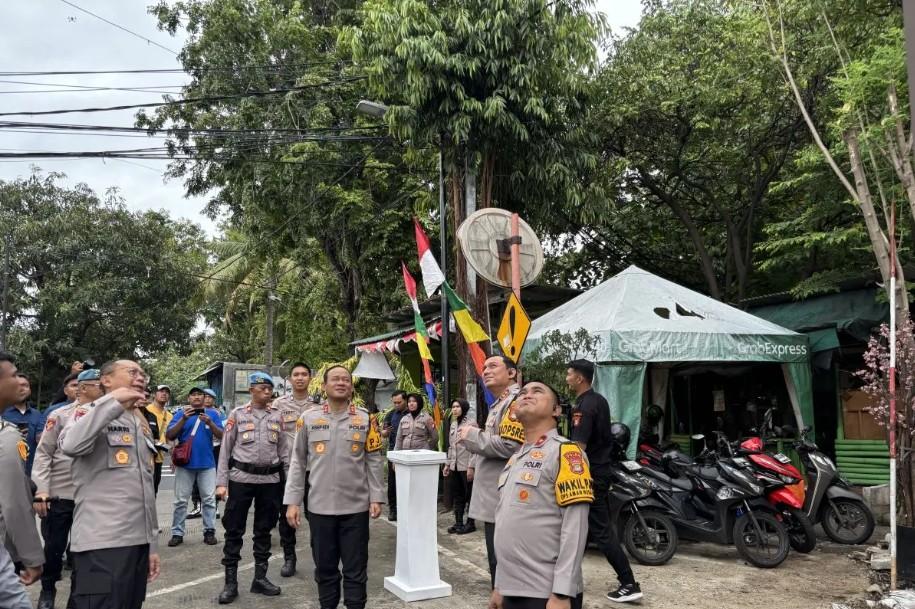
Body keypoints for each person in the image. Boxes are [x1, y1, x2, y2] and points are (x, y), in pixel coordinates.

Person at [58, 359, 160, 609]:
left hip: (136, 543)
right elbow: (71, 445)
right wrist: (111, 402)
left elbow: (146, 488)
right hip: (102, 544)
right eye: (132, 372)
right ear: (106, 380)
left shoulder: (139, 422)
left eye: (143, 374)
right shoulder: (87, 412)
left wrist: (152, 545)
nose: (140, 378)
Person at [284, 365, 385, 609]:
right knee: (325, 569)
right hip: (320, 508)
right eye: (335, 379)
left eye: (346, 380)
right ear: (324, 386)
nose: (341, 383)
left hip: (356, 509)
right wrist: (292, 501)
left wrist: (376, 497)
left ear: (351, 387)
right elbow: (297, 461)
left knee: (356, 570)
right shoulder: (308, 419)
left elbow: (373, 459)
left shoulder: (365, 419)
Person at [490, 380, 593, 609]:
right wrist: (499, 585)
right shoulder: (515, 458)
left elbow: (575, 528)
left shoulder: (566, 452)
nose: (527, 394)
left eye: (537, 391)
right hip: (511, 589)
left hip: (546, 594)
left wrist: (562, 593)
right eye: (523, 392)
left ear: (556, 410)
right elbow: (505, 524)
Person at [566, 359, 642, 603]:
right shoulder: (596, 400)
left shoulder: (586, 406)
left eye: (569, 373)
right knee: (589, 528)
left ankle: (628, 582)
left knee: (601, 531)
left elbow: (578, 447)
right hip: (600, 471)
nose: (566, 377)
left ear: (580, 378)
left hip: (590, 475)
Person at [31, 368, 104, 609]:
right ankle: (48, 589)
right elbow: (43, 454)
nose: (103, 388)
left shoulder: (108, 415)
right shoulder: (60, 415)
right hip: (61, 493)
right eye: (97, 384)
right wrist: (41, 490)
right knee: (54, 547)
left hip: (92, 496)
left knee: (85, 552)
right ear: (83, 388)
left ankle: (78, 594)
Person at [215, 372, 290, 604]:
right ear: (251, 390)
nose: (268, 391)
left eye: (269, 387)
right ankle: (231, 583)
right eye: (262, 387)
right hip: (241, 479)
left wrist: (289, 483)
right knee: (234, 530)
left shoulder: (277, 416)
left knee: (264, 530)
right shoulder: (237, 415)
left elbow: (284, 451)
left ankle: (260, 578)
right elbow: (225, 451)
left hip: (270, 482)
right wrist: (221, 483)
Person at [459, 354, 523, 587]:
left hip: (504, 497)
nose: (485, 370)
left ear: (511, 373)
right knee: (497, 563)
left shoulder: (515, 403)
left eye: (493, 366)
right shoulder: (500, 403)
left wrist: (472, 436)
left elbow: (511, 445)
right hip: (495, 497)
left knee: (504, 565)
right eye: (484, 367)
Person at [0, 351, 44, 609]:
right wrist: (32, 557)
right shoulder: (6, 436)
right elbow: (13, 502)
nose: (21, 381)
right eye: (15, 375)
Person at [271, 362, 317, 578]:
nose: (300, 378)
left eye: (304, 374)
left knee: (317, 515)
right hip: (287, 470)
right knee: (286, 515)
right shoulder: (278, 405)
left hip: (315, 470)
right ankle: (289, 558)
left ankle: (321, 558)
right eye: (296, 374)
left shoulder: (319, 405)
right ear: (289, 379)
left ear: (310, 378)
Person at [165, 387, 224, 547]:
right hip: (185, 464)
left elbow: (222, 435)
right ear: (189, 398)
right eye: (194, 395)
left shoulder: (213, 414)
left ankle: (209, 531)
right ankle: (177, 533)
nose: (197, 397)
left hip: (207, 464)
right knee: (180, 501)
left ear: (204, 398)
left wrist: (210, 423)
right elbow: (169, 435)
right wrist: (183, 419)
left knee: (210, 500)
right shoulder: (180, 414)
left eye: (200, 395)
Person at [444, 398, 477, 534]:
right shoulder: (453, 424)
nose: (455, 409)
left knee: (470, 495)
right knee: (457, 495)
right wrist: (447, 464)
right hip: (455, 466)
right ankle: (458, 523)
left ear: (464, 408)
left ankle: (470, 523)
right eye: (453, 407)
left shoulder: (471, 424)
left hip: (466, 466)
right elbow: (452, 446)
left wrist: (471, 467)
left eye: (457, 406)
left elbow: (476, 447)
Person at [2, 374, 45, 475]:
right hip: (5, 472)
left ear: (30, 390)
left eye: (25, 385)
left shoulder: (37, 415)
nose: (22, 389)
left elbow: (41, 441)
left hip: (31, 471)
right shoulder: (2, 412)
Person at [380, 390, 407, 521]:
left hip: (408, 452)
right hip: (393, 452)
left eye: (399, 402)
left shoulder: (412, 413)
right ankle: (393, 509)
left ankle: (407, 509)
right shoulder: (391, 415)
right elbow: (383, 433)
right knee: (392, 483)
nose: (396, 405)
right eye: (394, 402)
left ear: (406, 401)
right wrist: (385, 432)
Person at [142, 384, 173, 494]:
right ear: (155, 394)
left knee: (153, 491)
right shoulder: (145, 410)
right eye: (161, 391)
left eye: (167, 392)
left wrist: (173, 458)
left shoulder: (169, 416)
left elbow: (169, 437)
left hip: (159, 458)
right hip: (145, 456)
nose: (164, 394)